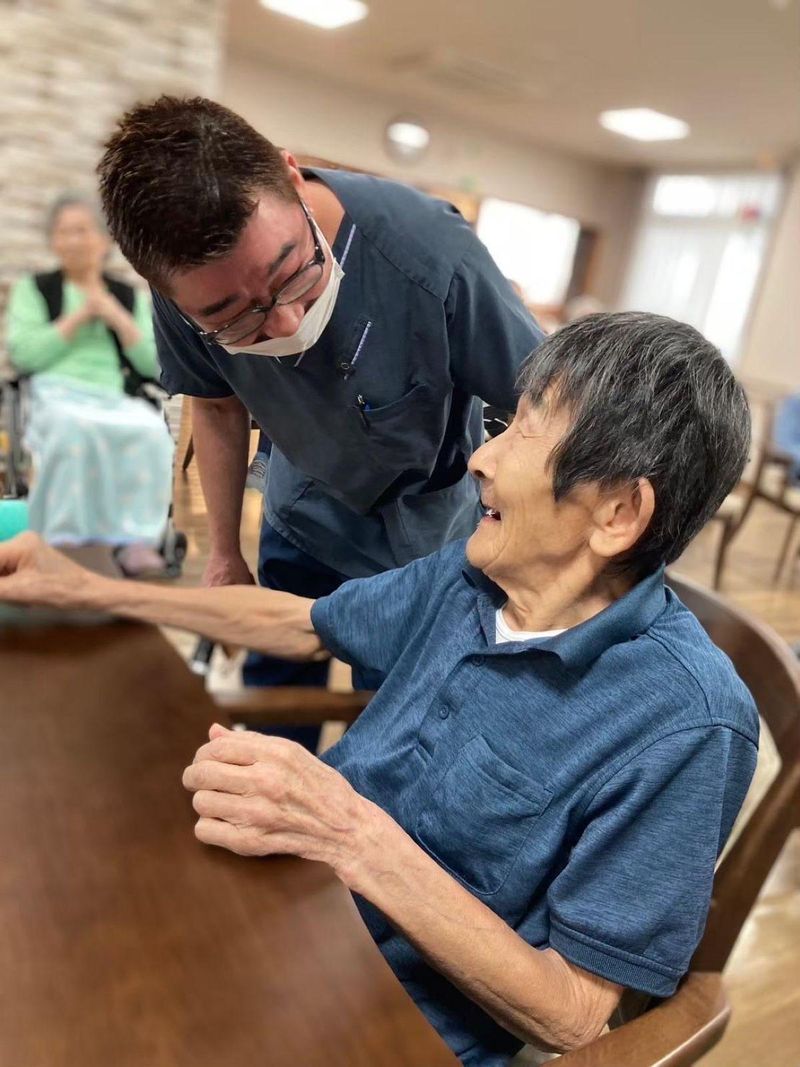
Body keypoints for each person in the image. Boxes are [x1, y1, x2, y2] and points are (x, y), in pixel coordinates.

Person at [0, 313, 758, 1065]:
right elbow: (304, 624)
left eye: (525, 434)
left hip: (380, 1020)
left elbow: (574, 1017)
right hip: (286, 907)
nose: (480, 458)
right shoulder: (477, 571)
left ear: (619, 513)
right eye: (502, 424)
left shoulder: (689, 721)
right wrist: (84, 589)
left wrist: (350, 833)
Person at [96, 95, 543, 739]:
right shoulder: (185, 292)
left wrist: (521, 565)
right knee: (276, 705)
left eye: (290, 273)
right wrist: (224, 552)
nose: (285, 323)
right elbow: (216, 405)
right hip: (303, 507)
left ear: (292, 175)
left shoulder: (428, 255)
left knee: (391, 724)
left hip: (419, 539)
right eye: (235, 318)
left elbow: (545, 414)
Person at [5, 193, 174, 577]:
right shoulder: (37, 290)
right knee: (74, 431)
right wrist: (79, 316)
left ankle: (135, 541)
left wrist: (115, 316)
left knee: (149, 431)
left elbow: (152, 364)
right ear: (53, 242)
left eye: (82, 230)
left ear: (103, 239)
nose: (73, 240)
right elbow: (25, 354)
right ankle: (67, 541)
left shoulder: (126, 296)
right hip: (54, 392)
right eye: (63, 232)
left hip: (113, 394)